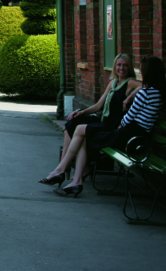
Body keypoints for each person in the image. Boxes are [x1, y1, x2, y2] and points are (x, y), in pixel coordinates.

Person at [39, 53, 142, 197]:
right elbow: (99, 105)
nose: (121, 68)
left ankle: (61, 170)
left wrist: (130, 96)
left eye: (125, 65)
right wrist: (82, 113)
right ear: (115, 67)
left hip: (114, 127)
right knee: (75, 122)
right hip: (105, 121)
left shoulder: (130, 82)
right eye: (119, 65)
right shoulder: (113, 82)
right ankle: (74, 179)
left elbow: (146, 86)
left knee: (81, 130)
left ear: (129, 67)